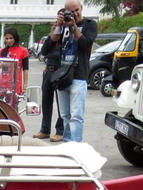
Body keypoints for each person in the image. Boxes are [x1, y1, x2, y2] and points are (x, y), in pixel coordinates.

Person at [50, 0, 97, 142]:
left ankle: (75, 146)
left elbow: (85, 44)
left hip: (79, 75)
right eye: (71, 11)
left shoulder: (90, 24)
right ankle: (67, 143)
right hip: (62, 75)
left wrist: (74, 27)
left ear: (81, 8)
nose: (75, 14)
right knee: (65, 115)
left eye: (77, 10)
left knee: (76, 116)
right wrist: (58, 25)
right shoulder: (62, 24)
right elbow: (51, 43)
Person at [34, 11, 65, 143]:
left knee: (61, 104)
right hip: (48, 71)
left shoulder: (68, 35)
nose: (61, 19)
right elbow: (44, 51)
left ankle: (60, 131)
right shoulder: (53, 33)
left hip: (61, 71)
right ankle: (45, 130)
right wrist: (54, 32)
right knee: (46, 102)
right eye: (59, 16)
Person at [0, 27, 29, 107]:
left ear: (15, 38)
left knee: (13, 108)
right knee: (2, 108)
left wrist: (25, 86)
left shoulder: (23, 51)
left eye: (11, 38)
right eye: (6, 38)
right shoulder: (2, 51)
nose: (8, 41)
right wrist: (2, 64)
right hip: (3, 84)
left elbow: (26, 70)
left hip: (16, 85)